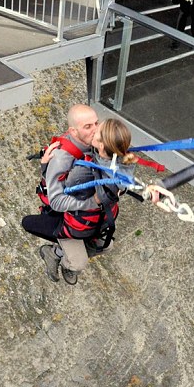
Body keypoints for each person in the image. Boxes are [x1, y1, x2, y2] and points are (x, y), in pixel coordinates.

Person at [22, 110, 136, 285]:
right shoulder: (72, 165)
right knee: (78, 262)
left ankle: (60, 252)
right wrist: (94, 202)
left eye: (97, 124)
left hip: (93, 219)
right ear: (73, 131)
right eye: (88, 127)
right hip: (70, 218)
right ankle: (58, 257)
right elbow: (58, 201)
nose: (95, 130)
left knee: (106, 246)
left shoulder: (104, 153)